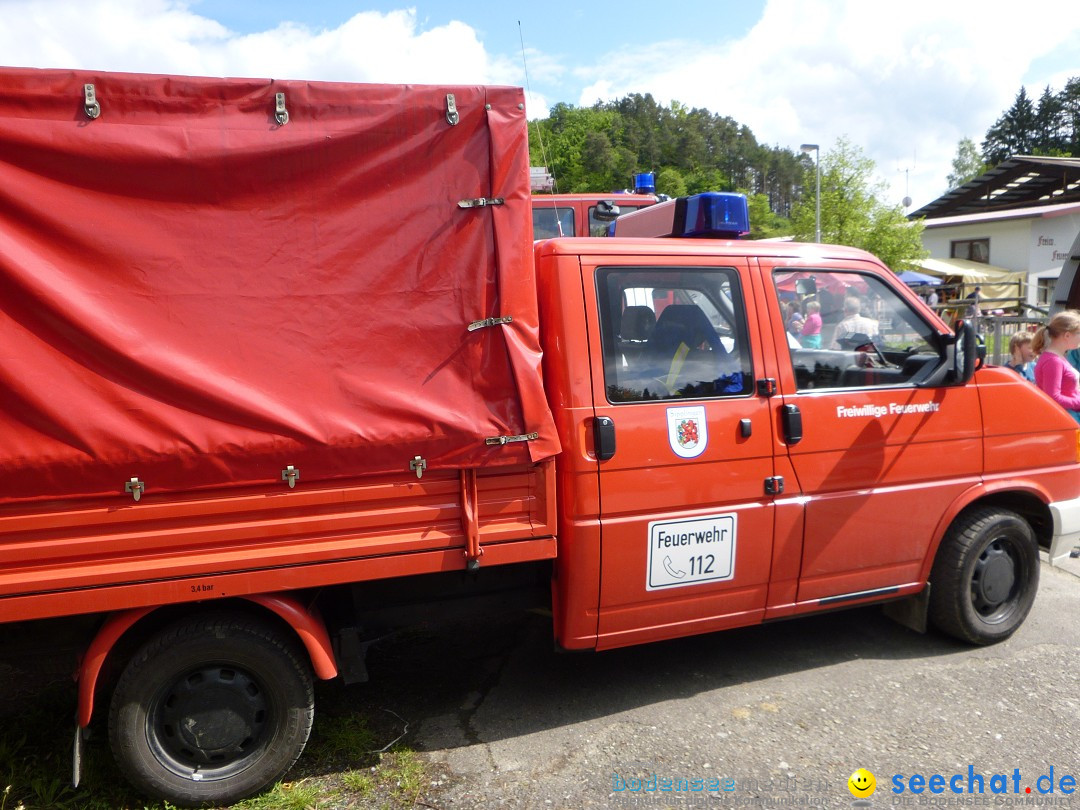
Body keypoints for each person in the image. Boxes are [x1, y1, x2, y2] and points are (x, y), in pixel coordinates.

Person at [1033, 311, 1080, 424]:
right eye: (1079, 332)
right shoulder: (1053, 361)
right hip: (1066, 420)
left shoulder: (1057, 358)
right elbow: (1053, 397)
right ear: (1067, 335)